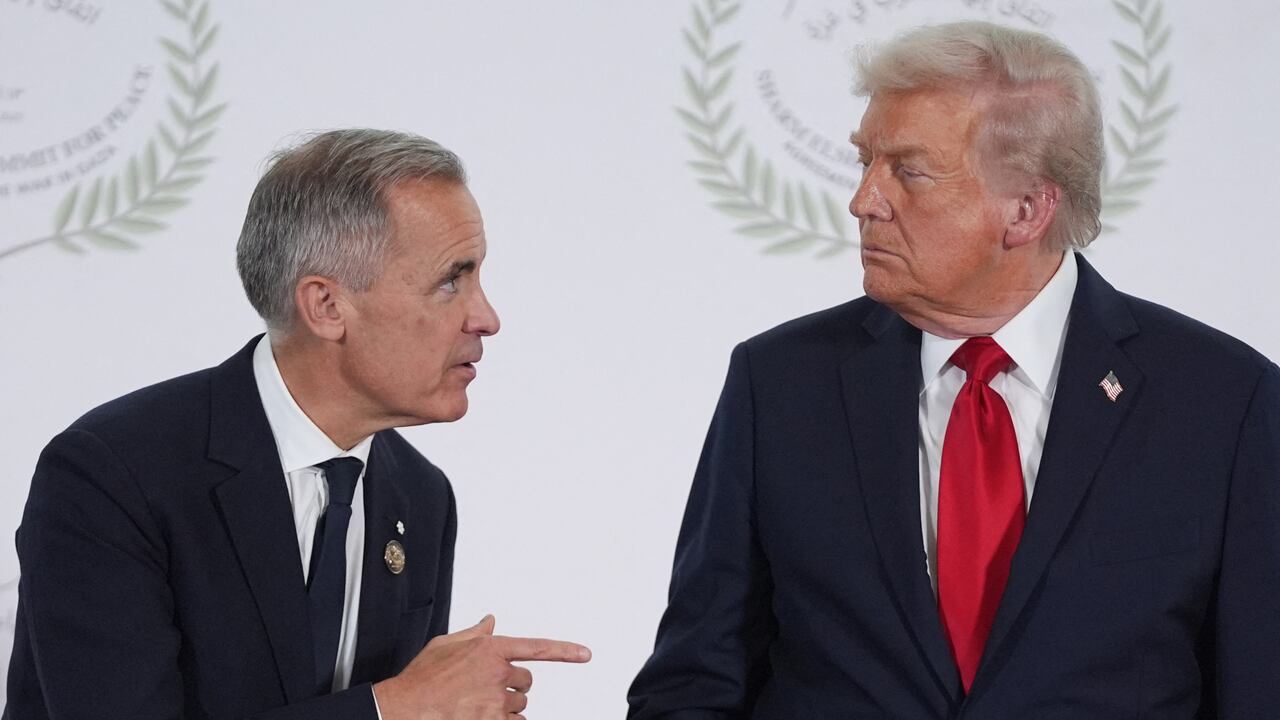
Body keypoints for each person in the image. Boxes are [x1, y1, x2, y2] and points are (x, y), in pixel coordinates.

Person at [629, 21, 1279, 718]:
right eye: (866, 162)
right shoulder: (780, 384)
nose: (863, 200)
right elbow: (695, 683)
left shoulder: (1223, 402)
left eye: (908, 171)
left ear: (1026, 209)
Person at [6, 129, 590, 719]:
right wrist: (393, 707)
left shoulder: (421, 495)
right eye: (450, 281)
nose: (486, 317)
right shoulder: (112, 474)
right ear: (327, 306)